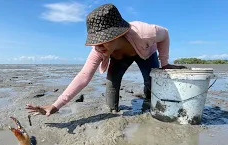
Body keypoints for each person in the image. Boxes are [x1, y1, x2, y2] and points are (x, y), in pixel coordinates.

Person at [26, 3, 185, 116]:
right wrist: (56, 106)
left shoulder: (145, 33)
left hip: (146, 53)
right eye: (95, 40)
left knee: (151, 80)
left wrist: (164, 63)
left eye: (104, 39)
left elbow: (165, 35)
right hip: (118, 57)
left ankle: (148, 104)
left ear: (119, 33)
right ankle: (112, 110)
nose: (98, 45)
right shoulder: (99, 49)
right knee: (112, 83)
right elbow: (83, 77)